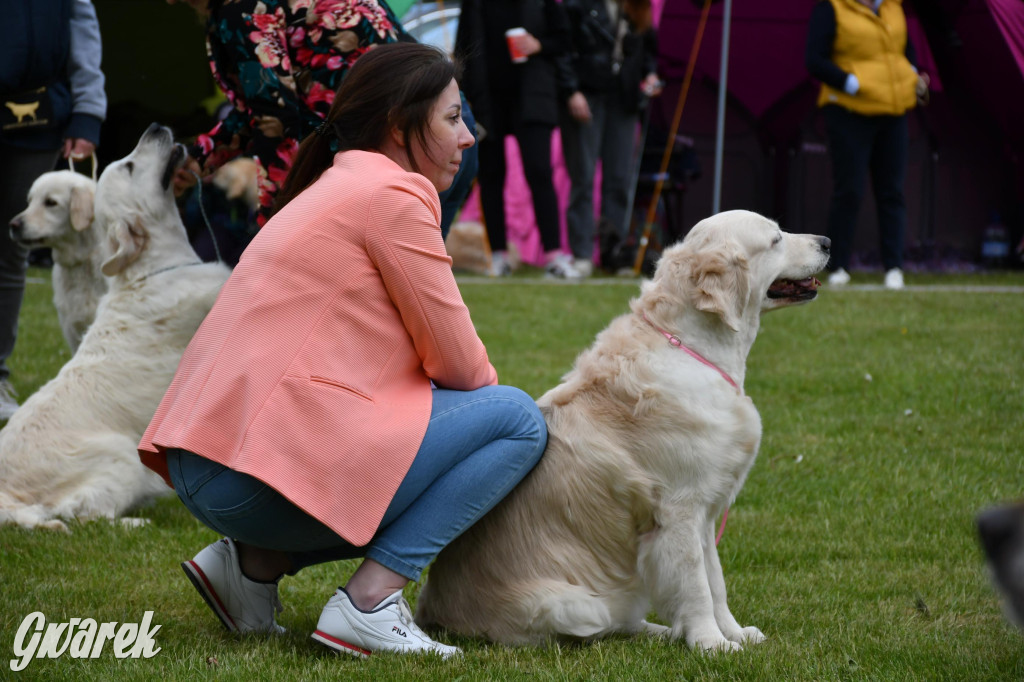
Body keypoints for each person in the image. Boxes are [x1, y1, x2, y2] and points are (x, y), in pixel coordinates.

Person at [137, 42, 547, 659]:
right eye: (452, 118)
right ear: (397, 126)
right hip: (250, 475)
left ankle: (251, 570)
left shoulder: (334, 185)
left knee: (430, 421)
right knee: (516, 421)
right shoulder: (395, 195)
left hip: (204, 464)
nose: (468, 137)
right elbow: (464, 368)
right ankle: (370, 603)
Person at [166, 0, 476, 239]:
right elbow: (268, 103)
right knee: (401, 293)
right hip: (450, 123)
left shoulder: (240, 9)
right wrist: (200, 157)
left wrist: (274, 225)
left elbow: (274, 117)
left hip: (411, 142)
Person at [0, 0, 106, 419]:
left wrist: (88, 111)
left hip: (36, 117)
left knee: (9, 254)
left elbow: (82, 28)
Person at [805, 0, 929, 290]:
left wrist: (914, 77)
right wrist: (850, 82)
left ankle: (894, 267)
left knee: (892, 191)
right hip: (849, 112)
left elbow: (904, 54)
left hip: (893, 111)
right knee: (849, 190)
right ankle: (838, 267)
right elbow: (814, 59)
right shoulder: (831, 8)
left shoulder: (893, 8)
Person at [456, 0, 582, 279]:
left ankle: (554, 257)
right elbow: (462, 47)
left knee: (539, 172)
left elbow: (565, 40)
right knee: (490, 176)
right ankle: (498, 256)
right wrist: (465, 98)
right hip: (487, 101)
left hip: (534, 99)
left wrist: (539, 45)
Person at [560, 0, 661, 278]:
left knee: (619, 179)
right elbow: (564, 49)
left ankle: (613, 254)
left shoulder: (638, 6)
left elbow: (648, 48)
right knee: (583, 177)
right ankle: (581, 255)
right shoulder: (578, 5)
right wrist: (571, 91)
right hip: (588, 95)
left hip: (624, 100)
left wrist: (650, 74)